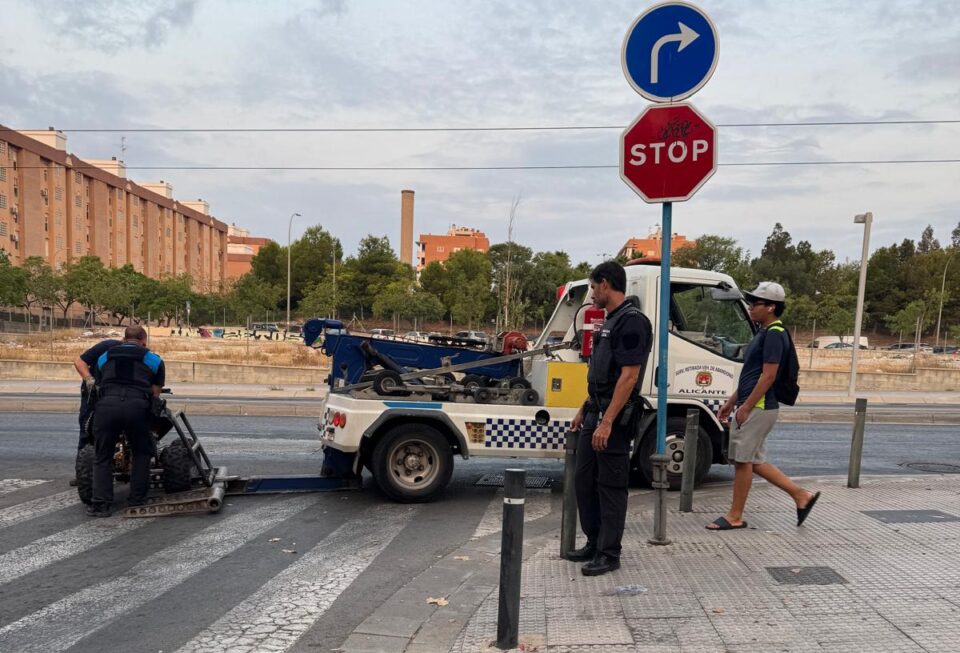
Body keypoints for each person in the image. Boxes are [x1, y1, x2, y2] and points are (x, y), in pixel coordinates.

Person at [707, 282, 820, 531]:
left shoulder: (774, 334)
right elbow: (751, 375)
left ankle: (735, 516)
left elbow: (768, 376)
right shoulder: (764, 332)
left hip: (759, 405)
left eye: (755, 303)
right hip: (754, 403)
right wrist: (732, 402)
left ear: (771, 307)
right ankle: (801, 496)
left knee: (742, 461)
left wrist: (746, 406)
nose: (750, 307)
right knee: (753, 461)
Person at [568, 261, 653, 576]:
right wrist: (585, 408)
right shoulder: (611, 320)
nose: (592, 294)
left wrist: (607, 422)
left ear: (605, 284)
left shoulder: (633, 322)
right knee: (584, 481)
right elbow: (602, 375)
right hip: (596, 410)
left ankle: (609, 553)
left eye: (593, 287)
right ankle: (594, 542)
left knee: (611, 487)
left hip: (614, 419)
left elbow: (629, 377)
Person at [87, 326, 165, 517]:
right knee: (142, 452)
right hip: (136, 407)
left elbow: (99, 383)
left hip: (107, 407)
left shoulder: (104, 356)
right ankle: (136, 500)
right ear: (143, 341)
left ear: (124, 338)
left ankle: (101, 505)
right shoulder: (153, 359)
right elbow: (155, 393)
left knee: (102, 455)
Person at [72, 337, 122, 481]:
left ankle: (117, 465)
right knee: (87, 431)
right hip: (93, 395)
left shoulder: (136, 354)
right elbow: (79, 362)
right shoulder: (107, 346)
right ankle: (83, 476)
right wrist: (90, 380)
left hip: (112, 395)